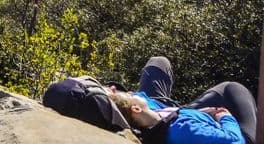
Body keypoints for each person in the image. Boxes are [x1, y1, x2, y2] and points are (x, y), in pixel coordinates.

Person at [110, 56, 257, 144]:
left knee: (158, 62)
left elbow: (172, 119)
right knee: (233, 88)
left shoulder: (152, 119)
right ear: (136, 109)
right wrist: (226, 118)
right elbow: (234, 141)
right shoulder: (183, 130)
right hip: (237, 136)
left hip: (176, 112)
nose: (131, 92)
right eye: (130, 95)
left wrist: (196, 112)